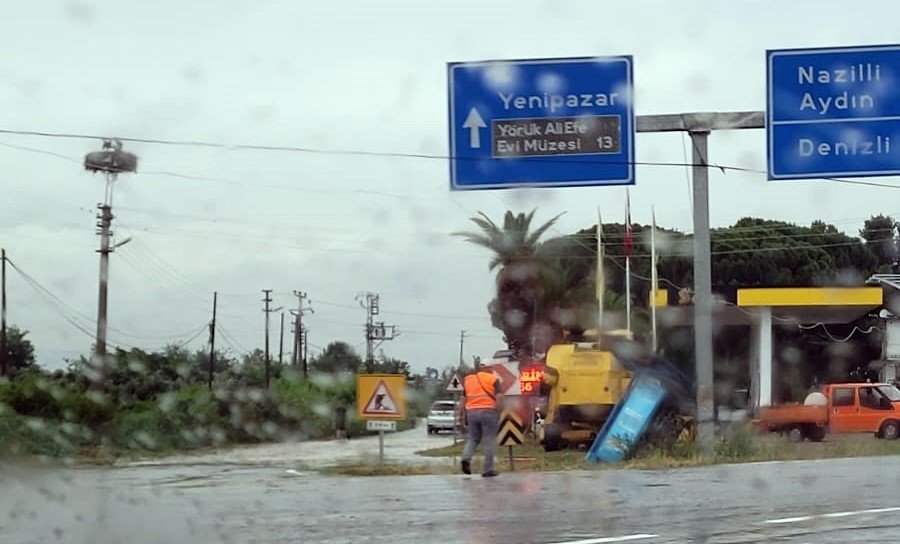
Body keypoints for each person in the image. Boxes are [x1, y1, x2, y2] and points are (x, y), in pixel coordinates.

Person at [460, 362, 502, 477]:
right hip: (488, 411)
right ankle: (488, 469)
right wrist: (498, 410)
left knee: (473, 439)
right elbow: (499, 397)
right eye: (491, 368)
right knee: (489, 440)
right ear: (489, 368)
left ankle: (466, 458)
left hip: (472, 412)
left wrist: (461, 414)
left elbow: (463, 398)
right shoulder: (493, 379)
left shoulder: (469, 380)